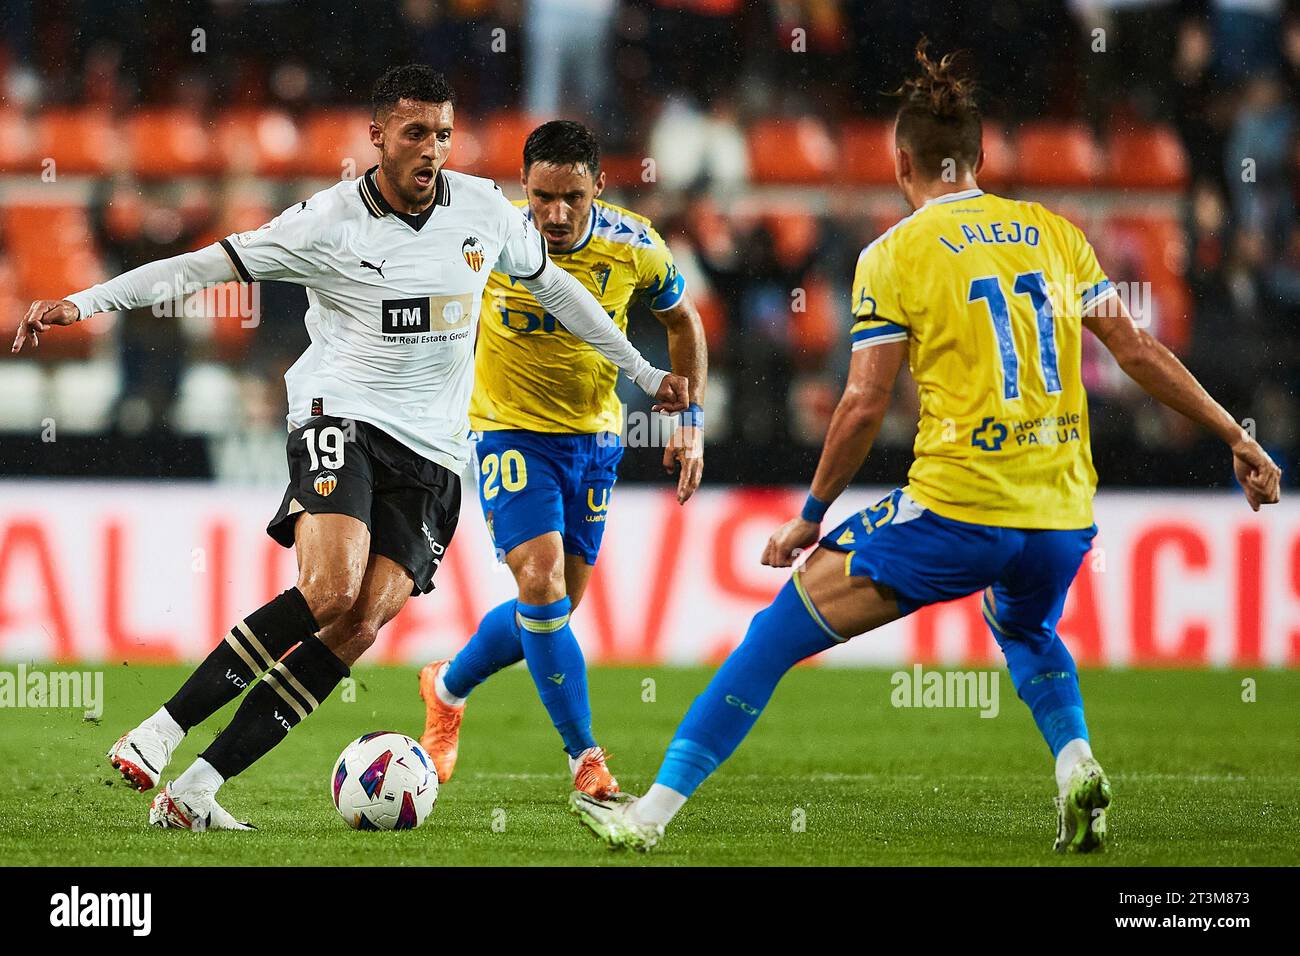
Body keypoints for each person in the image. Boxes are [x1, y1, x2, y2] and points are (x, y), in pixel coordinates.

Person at [569, 42, 1282, 853]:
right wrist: (1236, 434)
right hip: (1061, 512)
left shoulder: (894, 254)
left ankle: (648, 817)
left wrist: (811, 514)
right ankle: (1076, 760)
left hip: (959, 506)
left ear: (899, 159)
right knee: (1026, 630)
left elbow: (865, 400)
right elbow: (1139, 353)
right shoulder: (1056, 233)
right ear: (979, 157)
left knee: (775, 635)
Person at [11, 64, 687, 831]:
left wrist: (640, 370)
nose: (432, 149)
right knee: (330, 589)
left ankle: (198, 787)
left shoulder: (484, 210)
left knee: (359, 622)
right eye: (414, 134)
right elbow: (201, 267)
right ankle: (160, 731)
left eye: (442, 133)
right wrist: (84, 302)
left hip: (434, 451)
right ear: (377, 137)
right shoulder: (325, 222)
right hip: (344, 415)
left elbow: (560, 292)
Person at [417, 120, 707, 797]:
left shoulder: (635, 246)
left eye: (571, 197)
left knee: (551, 609)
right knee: (542, 583)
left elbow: (682, 321)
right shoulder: (490, 239)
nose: (555, 213)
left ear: (599, 187)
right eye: (543, 196)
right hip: (508, 431)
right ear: (523, 185)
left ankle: (447, 685)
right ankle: (586, 761)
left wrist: (690, 423)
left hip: (595, 440)